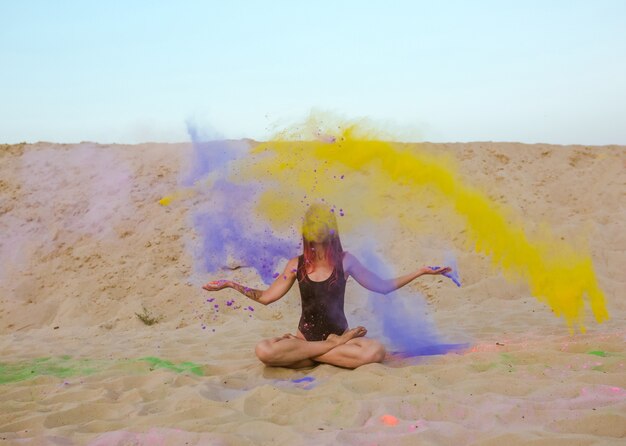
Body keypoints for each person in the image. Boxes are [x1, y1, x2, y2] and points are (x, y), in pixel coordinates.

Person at [203, 204, 451, 369]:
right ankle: (328, 350)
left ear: (331, 227)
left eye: (322, 222)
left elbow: (383, 286)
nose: (317, 227)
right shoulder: (295, 265)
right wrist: (231, 284)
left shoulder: (346, 261)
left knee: (375, 351)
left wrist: (420, 272)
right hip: (322, 340)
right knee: (263, 350)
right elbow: (267, 297)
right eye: (312, 222)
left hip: (336, 339)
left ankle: (307, 355)